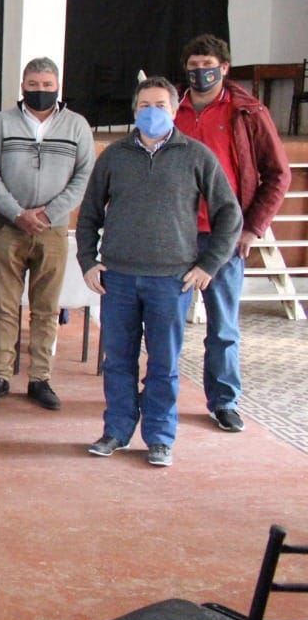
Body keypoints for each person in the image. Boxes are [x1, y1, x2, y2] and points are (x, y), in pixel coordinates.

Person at [79, 76, 241, 468]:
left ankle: (160, 438)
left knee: (164, 365)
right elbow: (89, 214)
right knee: (118, 361)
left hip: (171, 280)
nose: (152, 112)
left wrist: (208, 264)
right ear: (134, 111)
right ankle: (117, 430)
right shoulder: (114, 156)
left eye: (160, 105)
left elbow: (229, 214)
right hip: (118, 278)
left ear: (174, 109)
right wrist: (87, 261)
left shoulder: (196, 155)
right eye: (145, 106)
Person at [174, 34, 290, 434]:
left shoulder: (247, 112)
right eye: (193, 66)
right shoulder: (172, 108)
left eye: (208, 65)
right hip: (175, 234)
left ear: (224, 68)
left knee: (222, 327)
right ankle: (159, 395)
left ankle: (224, 401)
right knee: (165, 323)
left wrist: (253, 227)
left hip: (224, 236)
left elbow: (279, 174)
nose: (200, 73)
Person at [0, 57, 94, 410]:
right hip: (8, 227)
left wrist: (49, 213)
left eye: (46, 85)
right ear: (22, 87)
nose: (39, 90)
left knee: (46, 309)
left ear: (57, 87)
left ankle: (40, 378)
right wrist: (16, 212)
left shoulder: (77, 126)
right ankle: (0, 375)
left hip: (53, 231)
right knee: (5, 306)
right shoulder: (1, 123)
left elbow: (84, 176)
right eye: (33, 85)